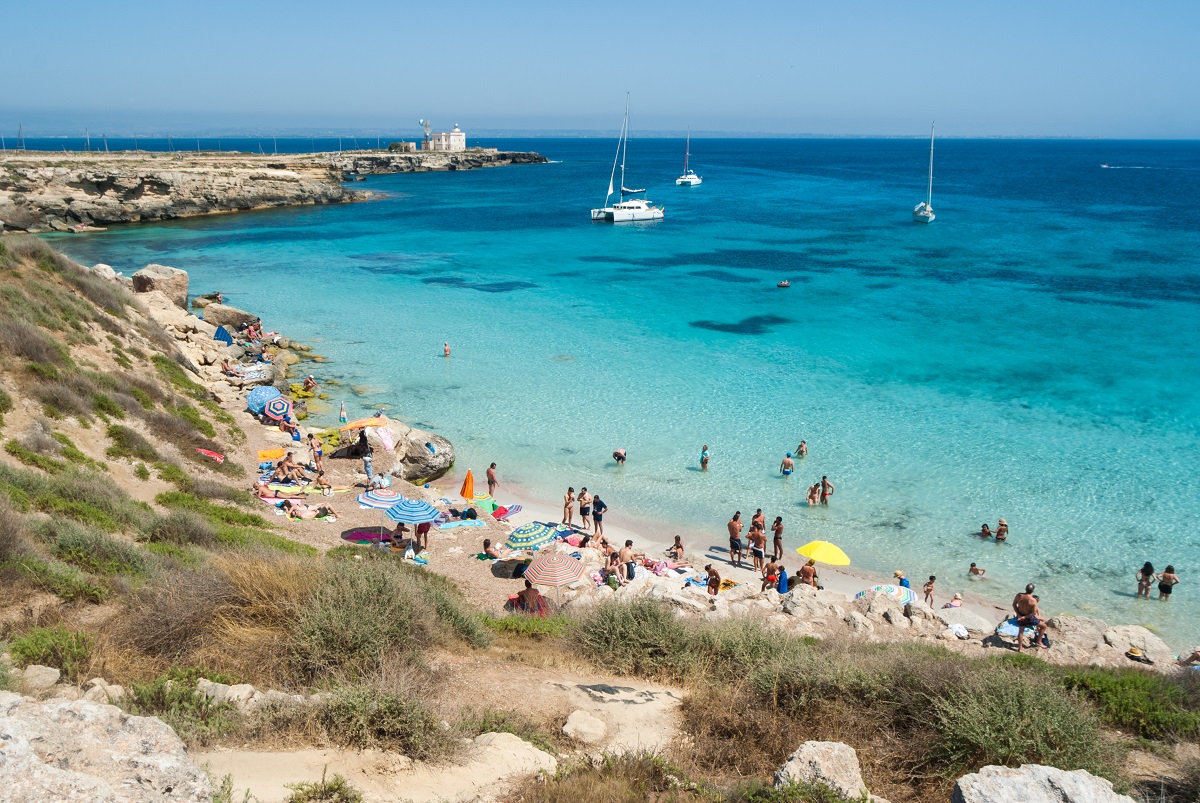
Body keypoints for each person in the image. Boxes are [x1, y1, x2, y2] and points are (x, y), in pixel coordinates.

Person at [1012, 583, 1047, 652]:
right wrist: (1024, 617)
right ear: (1033, 591)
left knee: (1021, 631)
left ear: (1025, 589)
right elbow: (1033, 613)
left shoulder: (1019, 595)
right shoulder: (1033, 601)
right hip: (1028, 618)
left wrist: (1019, 615)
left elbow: (1014, 605)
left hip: (1020, 616)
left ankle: (1020, 648)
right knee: (1044, 626)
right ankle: (1039, 642)